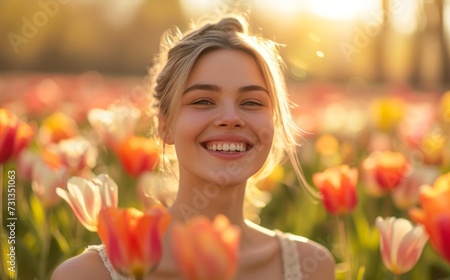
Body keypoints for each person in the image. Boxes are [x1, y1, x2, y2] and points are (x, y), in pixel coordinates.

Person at [51, 12, 335, 280]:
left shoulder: (312, 267)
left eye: (252, 102)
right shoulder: (87, 275)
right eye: (202, 101)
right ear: (165, 125)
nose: (230, 118)